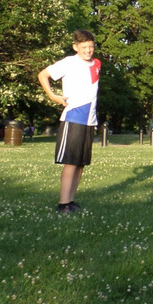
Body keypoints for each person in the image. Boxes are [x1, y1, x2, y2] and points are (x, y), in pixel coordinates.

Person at [38, 29, 102, 214]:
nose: (88, 50)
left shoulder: (97, 64)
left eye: (91, 46)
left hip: (89, 120)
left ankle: (71, 201)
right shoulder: (69, 62)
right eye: (84, 47)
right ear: (75, 47)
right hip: (73, 117)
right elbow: (43, 75)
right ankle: (63, 204)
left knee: (81, 163)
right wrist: (53, 96)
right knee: (71, 162)